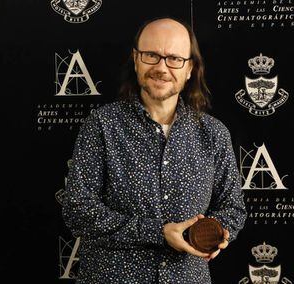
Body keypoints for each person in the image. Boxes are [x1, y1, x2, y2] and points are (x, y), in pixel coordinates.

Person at [62, 17, 247, 284]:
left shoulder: (214, 133)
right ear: (136, 59)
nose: (161, 68)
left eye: (174, 58)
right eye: (151, 55)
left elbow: (233, 208)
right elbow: (78, 210)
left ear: (190, 68)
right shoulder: (102, 125)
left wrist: (212, 233)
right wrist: (159, 233)